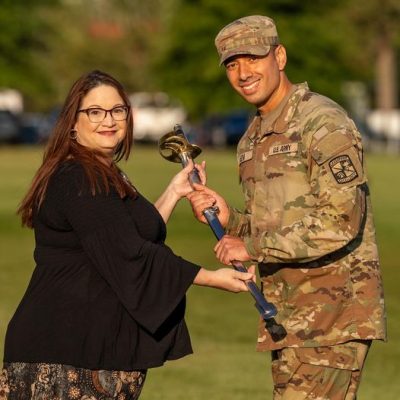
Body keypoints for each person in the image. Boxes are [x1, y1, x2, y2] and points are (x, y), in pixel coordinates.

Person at [0, 70, 255, 400]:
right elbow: (129, 252)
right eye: (95, 111)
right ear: (72, 123)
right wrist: (211, 277)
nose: (109, 120)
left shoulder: (104, 171)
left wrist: (174, 192)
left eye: (118, 110)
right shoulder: (79, 176)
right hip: (64, 353)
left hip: (92, 348)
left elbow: (133, 236)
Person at [186, 15, 386, 400]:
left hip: (331, 318)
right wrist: (232, 220)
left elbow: (341, 220)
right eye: (231, 63)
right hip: (288, 316)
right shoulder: (253, 137)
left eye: (253, 58)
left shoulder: (322, 123)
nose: (242, 72)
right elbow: (276, 224)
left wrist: (253, 247)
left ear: (279, 56)